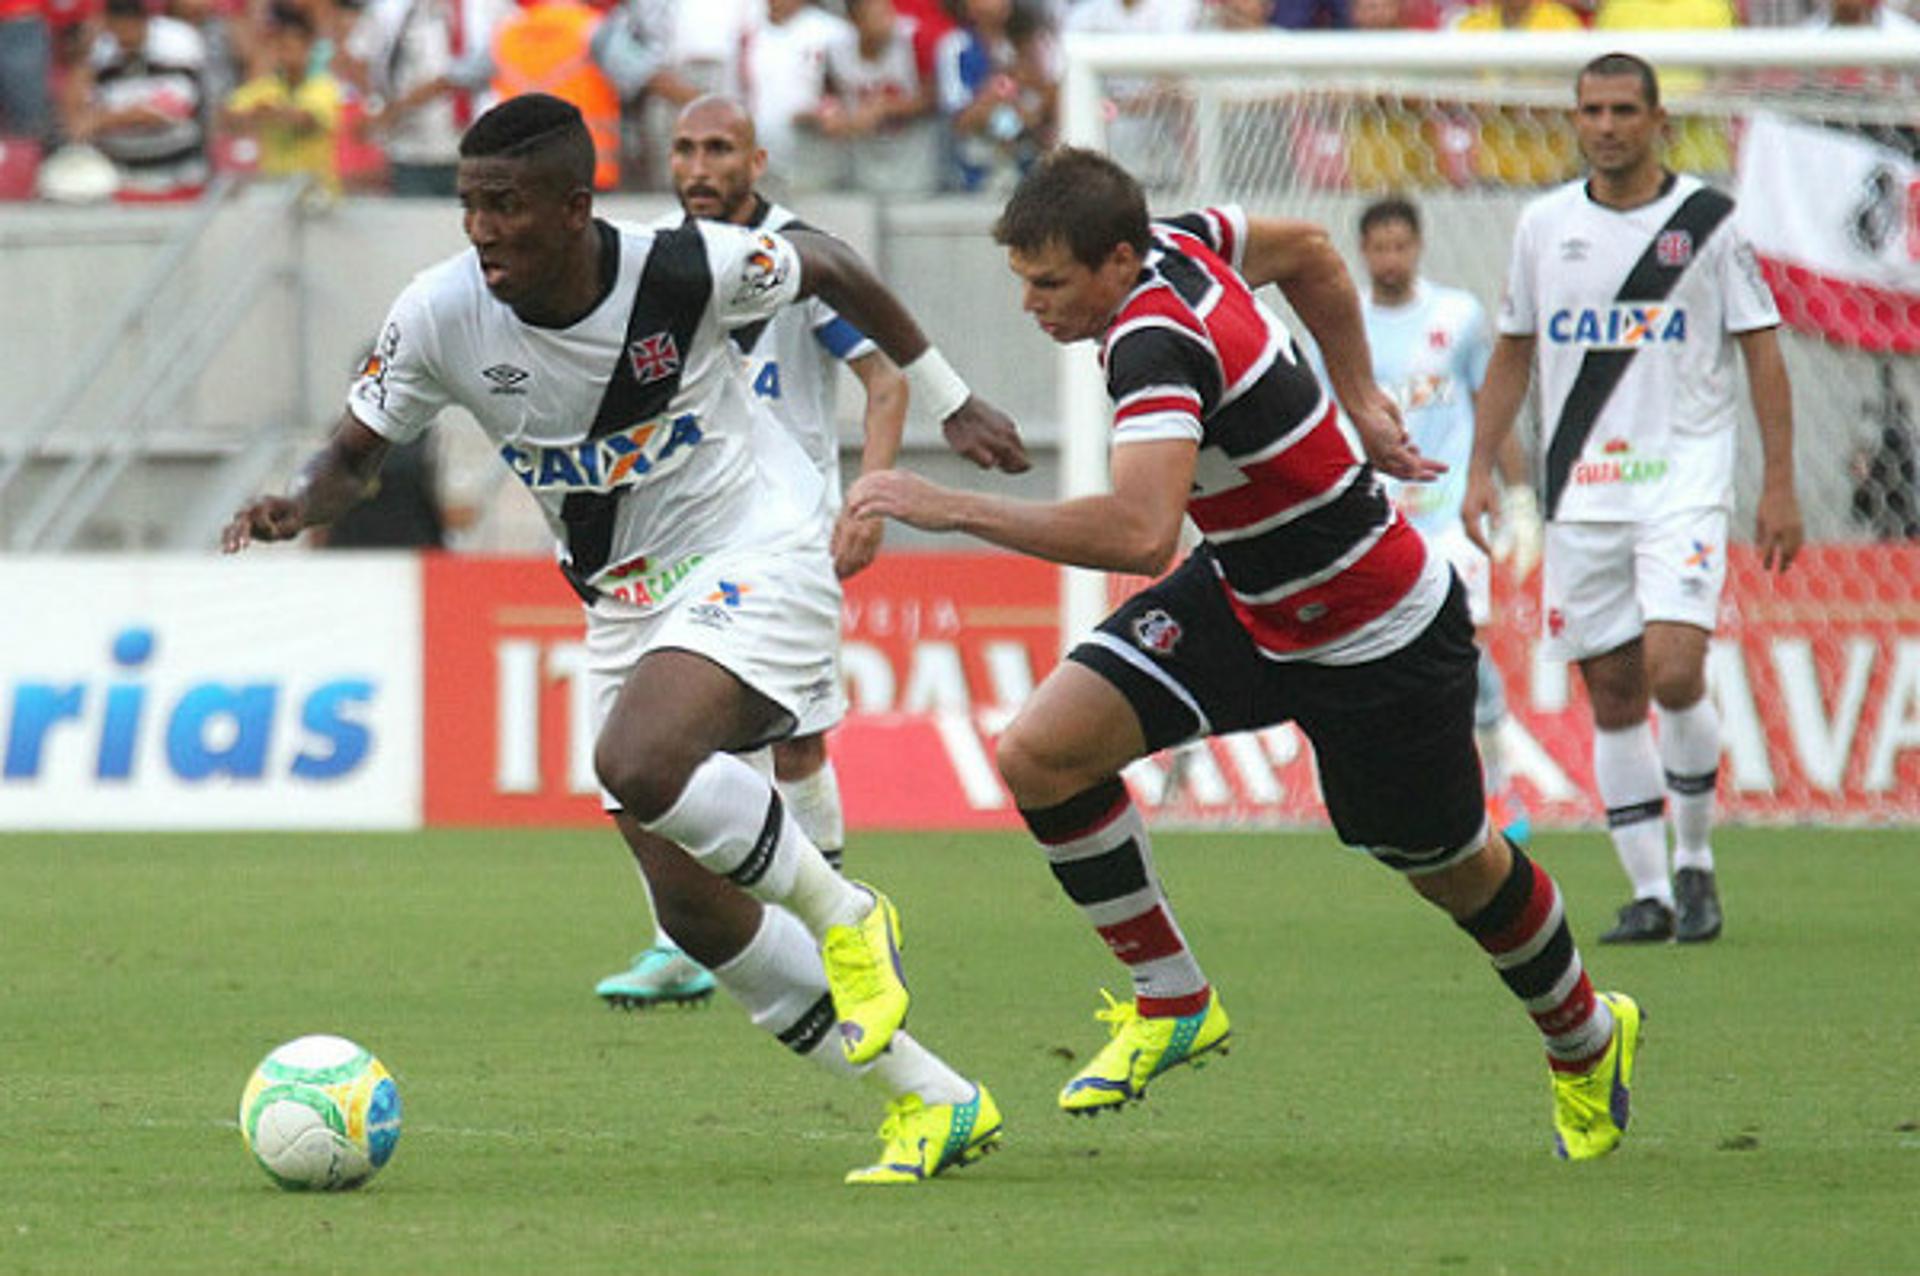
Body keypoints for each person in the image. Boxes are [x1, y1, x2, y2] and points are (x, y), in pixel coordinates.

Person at [224, 92, 1030, 1184]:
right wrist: (298, 500)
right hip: (626, 597)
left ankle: (849, 912)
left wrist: (951, 396)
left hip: (761, 541)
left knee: (640, 760)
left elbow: (831, 263)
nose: (482, 229)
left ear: (574, 205)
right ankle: (933, 1098)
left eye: (506, 206)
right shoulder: (440, 313)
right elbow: (355, 450)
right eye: (469, 204)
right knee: (691, 907)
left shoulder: (684, 269)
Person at [847, 146, 1642, 1163]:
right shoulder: (1188, 239)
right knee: (1041, 752)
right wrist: (1357, 396)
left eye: (1049, 283)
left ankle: (1584, 1035)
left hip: (1373, 628)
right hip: (1250, 590)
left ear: (1116, 260)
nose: (1031, 305)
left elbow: (1141, 534)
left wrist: (945, 505)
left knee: (1446, 866)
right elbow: (1311, 250)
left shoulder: (1151, 341)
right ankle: (1172, 995)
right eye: (1021, 280)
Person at [1462, 53, 1803, 946]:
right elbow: (1510, 352)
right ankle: (1651, 892)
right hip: (1580, 491)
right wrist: (1476, 472)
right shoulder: (1543, 226)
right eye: (1590, 110)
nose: (1606, 125)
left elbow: (1763, 350)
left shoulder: (1711, 224)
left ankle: (1696, 862)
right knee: (1611, 693)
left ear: (1657, 121)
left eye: (1623, 109)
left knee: (1676, 669)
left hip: (1681, 485)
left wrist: (1777, 480)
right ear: (1575, 120)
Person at [593, 93, 908, 1011]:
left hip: (783, 532)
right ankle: (683, 936)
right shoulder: (659, 259)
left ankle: (833, 920)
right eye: (686, 148)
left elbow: (884, 381)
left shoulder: (796, 258)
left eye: (719, 148)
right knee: (666, 742)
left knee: (797, 741)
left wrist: (870, 497)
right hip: (677, 532)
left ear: (756, 161)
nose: (698, 166)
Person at [1337, 195, 1540, 844]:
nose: (1391, 259)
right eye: (1379, 247)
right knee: (1380, 660)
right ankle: (1401, 791)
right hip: (1374, 522)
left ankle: (1498, 785)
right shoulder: (1342, 327)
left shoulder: (1458, 318)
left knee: (1463, 653)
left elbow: (1492, 408)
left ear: (1417, 247)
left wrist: (1520, 497)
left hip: (1450, 516)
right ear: (1363, 251)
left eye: (1401, 246)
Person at [221, 4, 343, 196]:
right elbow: (228, 118)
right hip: (277, 192)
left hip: (317, 193)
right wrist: (257, 114)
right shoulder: (266, 87)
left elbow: (307, 121)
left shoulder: (324, 86)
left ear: (308, 48)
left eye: (293, 47)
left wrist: (267, 114)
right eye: (282, 47)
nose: (287, 55)